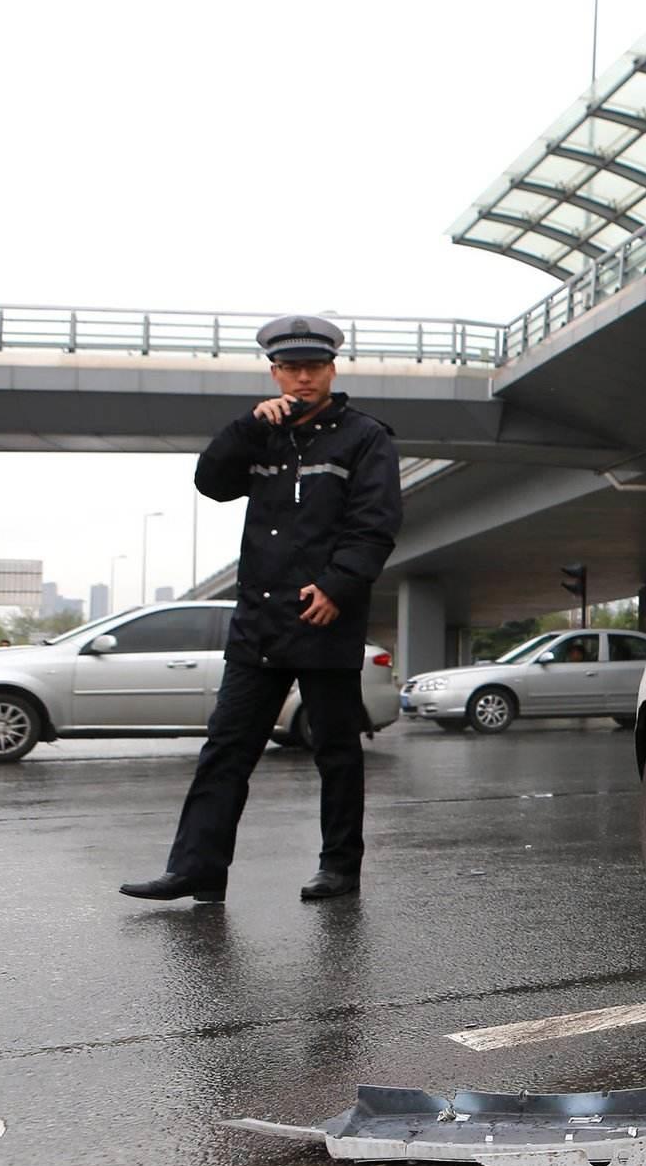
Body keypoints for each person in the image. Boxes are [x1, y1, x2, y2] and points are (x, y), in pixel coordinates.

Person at [120, 315, 401, 903]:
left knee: (336, 752)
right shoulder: (262, 433)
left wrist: (336, 587)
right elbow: (212, 483)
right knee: (225, 750)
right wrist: (245, 427)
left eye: (313, 367)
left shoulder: (364, 437)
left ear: (332, 369)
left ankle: (339, 867)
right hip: (258, 624)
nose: (303, 378)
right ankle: (197, 869)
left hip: (324, 618)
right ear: (274, 372)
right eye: (291, 368)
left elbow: (374, 526)